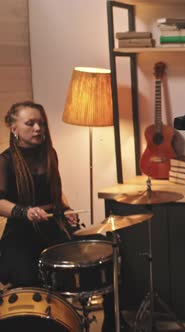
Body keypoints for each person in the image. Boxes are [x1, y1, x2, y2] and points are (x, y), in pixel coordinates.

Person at [0, 101, 116, 332]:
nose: (38, 128)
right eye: (30, 123)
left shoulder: (49, 154)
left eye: (41, 123)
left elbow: (55, 196)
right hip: (21, 234)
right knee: (29, 276)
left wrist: (66, 211)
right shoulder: (5, 161)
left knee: (105, 254)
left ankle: (112, 325)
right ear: (14, 128)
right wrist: (25, 212)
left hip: (53, 227)